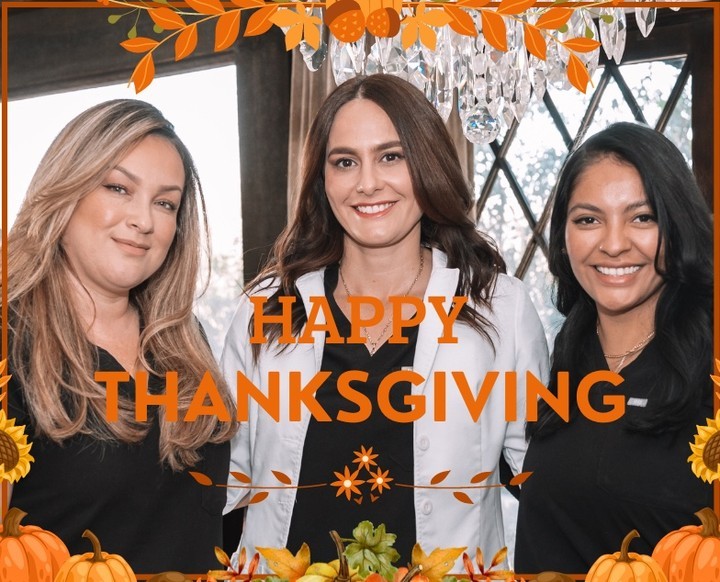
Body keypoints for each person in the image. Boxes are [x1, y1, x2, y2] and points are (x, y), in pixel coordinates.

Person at [221, 74, 548, 570]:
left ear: (427, 165)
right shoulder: (264, 310)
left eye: (391, 156)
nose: (367, 183)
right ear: (322, 179)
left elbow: (545, 483)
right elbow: (222, 485)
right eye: (345, 162)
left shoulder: (500, 307)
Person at [4, 99, 237, 574]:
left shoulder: (182, 341)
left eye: (165, 203)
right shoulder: (11, 341)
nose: (144, 221)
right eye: (118, 188)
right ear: (66, 190)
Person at [515, 122, 713, 574]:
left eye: (642, 218)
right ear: (564, 237)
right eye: (589, 219)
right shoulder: (568, 356)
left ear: (677, 225)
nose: (614, 244)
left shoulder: (711, 370)